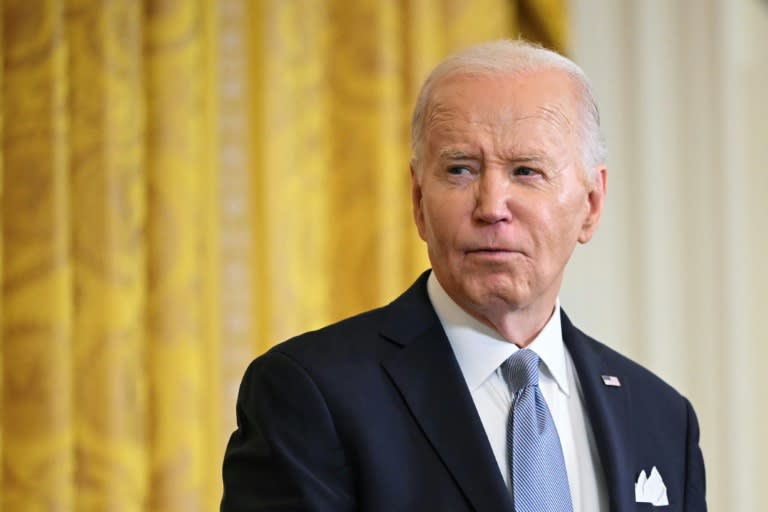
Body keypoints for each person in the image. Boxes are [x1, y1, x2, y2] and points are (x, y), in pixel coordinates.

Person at [221, 40, 707, 512]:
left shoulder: (662, 419)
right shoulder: (310, 393)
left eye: (526, 171)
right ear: (418, 201)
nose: (491, 207)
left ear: (591, 204)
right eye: (459, 170)